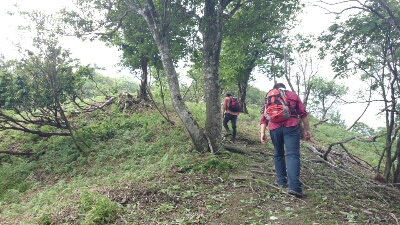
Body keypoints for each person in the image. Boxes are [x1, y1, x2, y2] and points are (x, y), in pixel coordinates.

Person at [260, 83, 312, 198]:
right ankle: (294, 187)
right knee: (292, 155)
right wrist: (307, 130)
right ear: (284, 88)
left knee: (278, 154)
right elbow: (303, 114)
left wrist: (262, 133)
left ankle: (281, 181)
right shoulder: (292, 95)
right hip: (291, 127)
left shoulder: (269, 97)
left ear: (275, 89)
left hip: (274, 129)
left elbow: (264, 118)